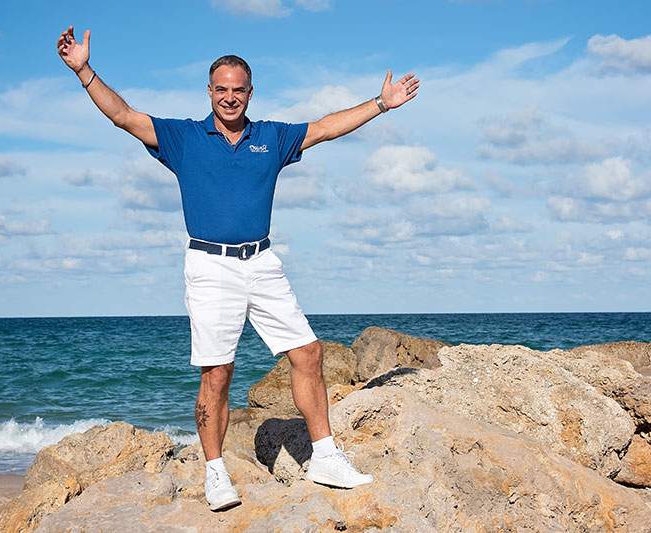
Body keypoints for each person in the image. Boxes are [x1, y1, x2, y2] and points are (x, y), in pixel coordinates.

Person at [57, 25, 419, 511]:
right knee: (217, 373)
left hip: (262, 261)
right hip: (209, 266)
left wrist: (379, 104)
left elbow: (326, 126)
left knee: (308, 353)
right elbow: (123, 115)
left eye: (238, 90)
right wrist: (83, 70)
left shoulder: (271, 138)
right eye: (221, 89)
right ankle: (214, 472)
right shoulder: (184, 138)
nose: (230, 98)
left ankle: (327, 456)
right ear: (210, 92)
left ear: (251, 93)